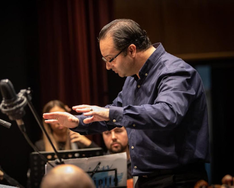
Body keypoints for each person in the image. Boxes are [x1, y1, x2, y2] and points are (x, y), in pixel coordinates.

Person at [43, 19, 210, 187]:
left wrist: (109, 113)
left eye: (110, 59)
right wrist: (76, 122)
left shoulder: (175, 72)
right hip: (147, 179)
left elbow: (166, 114)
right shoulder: (132, 80)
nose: (108, 66)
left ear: (131, 50)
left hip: (178, 179)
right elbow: (113, 115)